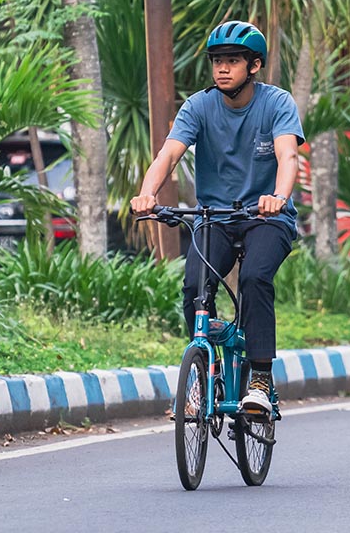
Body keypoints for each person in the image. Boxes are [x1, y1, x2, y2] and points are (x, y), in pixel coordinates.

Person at [130, 20, 305, 414]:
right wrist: (147, 194)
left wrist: (278, 197)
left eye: (232, 61)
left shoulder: (277, 103)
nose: (222, 68)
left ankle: (259, 376)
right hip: (216, 217)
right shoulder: (199, 106)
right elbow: (169, 154)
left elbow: (287, 156)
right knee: (194, 287)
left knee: (255, 278)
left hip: (267, 218)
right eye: (217, 61)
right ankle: (202, 372)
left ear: (254, 66)